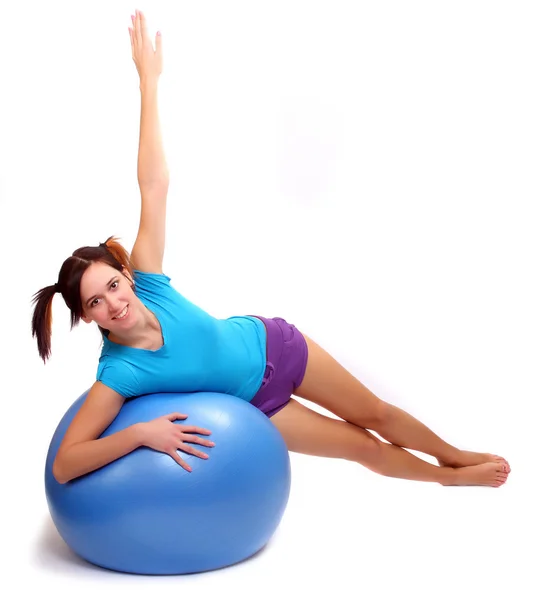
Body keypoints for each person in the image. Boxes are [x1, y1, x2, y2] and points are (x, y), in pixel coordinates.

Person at [32, 10, 510, 487]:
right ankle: (449, 479)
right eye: (96, 301)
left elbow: (154, 184)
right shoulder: (119, 373)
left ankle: (452, 454)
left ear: (127, 276)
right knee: (362, 446)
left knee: (377, 414)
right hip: (262, 404)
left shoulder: (150, 281)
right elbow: (66, 462)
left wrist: (149, 83)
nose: (114, 303)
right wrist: (138, 434)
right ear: (87, 317)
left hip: (275, 343)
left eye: (113, 285)